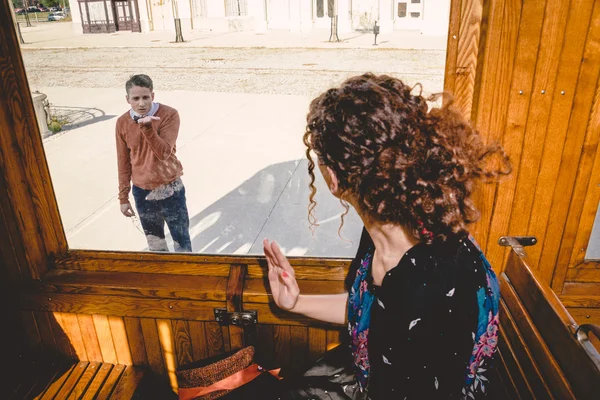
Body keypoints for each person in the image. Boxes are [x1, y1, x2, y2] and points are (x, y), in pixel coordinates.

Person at [263, 73, 511, 399]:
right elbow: (370, 311)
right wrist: (295, 304)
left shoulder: (427, 283)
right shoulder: (390, 229)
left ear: (333, 178)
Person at [116, 74, 192, 252]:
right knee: (155, 245)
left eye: (145, 97)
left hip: (171, 189)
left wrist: (147, 127)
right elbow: (123, 162)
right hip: (142, 193)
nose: (141, 103)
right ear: (128, 99)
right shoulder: (122, 122)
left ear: (153, 96)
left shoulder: (169, 115)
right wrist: (123, 197)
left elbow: (164, 152)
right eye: (136, 98)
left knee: (182, 241)